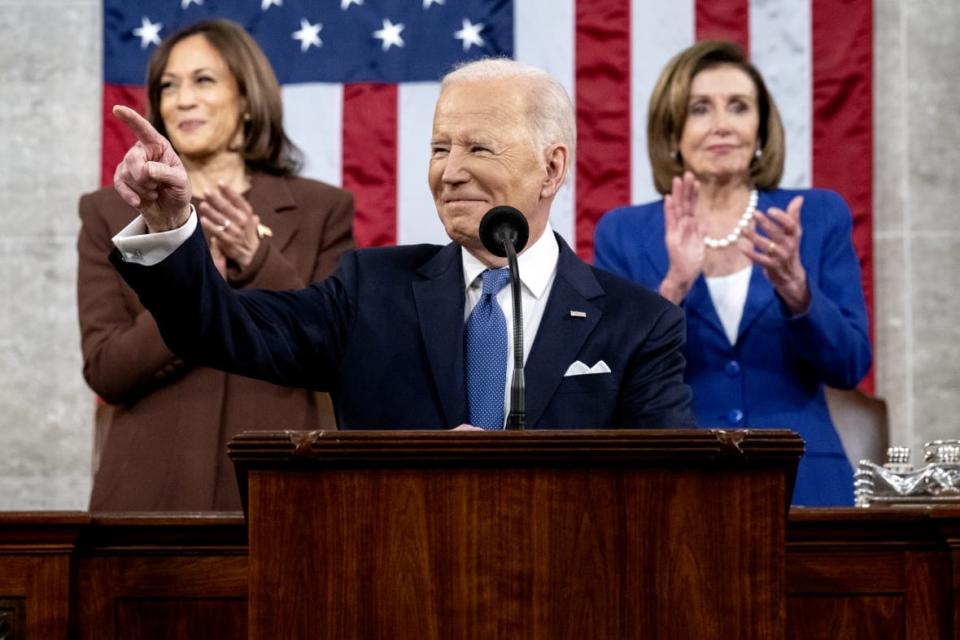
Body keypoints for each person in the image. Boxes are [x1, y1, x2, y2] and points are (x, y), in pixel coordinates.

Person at [106, 58, 696, 433]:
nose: (451, 172)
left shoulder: (639, 325)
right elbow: (216, 328)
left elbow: (667, 490)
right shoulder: (369, 291)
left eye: (478, 149)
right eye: (441, 149)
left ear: (552, 168)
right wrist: (171, 222)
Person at [78, 19, 354, 511]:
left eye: (204, 80)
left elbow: (334, 353)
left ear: (246, 98)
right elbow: (107, 370)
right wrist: (188, 276)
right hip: (150, 497)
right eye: (169, 85)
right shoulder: (109, 212)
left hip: (286, 491)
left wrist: (258, 258)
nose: (183, 99)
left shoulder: (322, 210)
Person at [593, 41, 871, 506]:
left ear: (760, 129)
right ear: (672, 131)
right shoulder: (623, 233)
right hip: (680, 484)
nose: (722, 125)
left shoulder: (818, 216)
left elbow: (850, 367)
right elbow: (609, 378)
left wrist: (798, 293)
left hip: (805, 482)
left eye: (739, 107)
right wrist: (673, 287)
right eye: (700, 109)